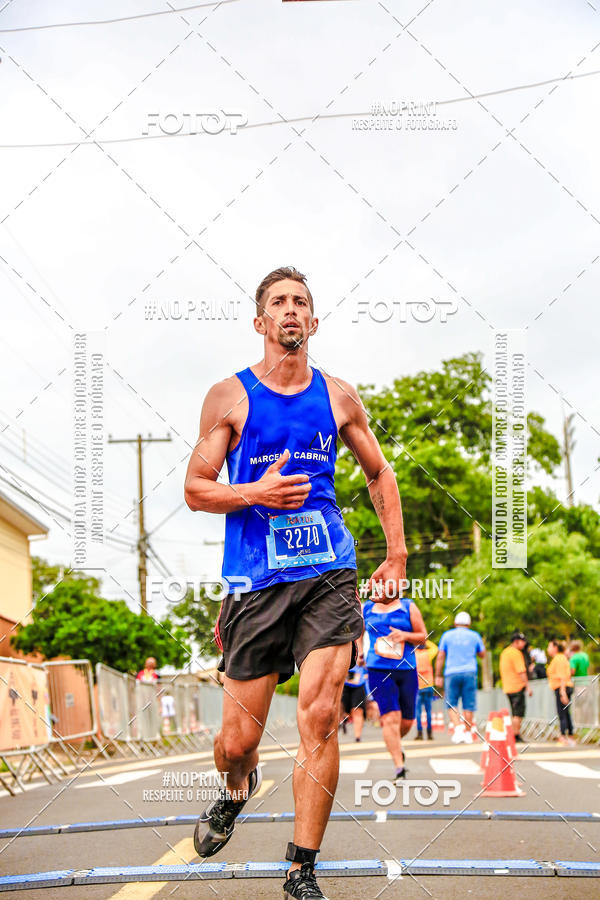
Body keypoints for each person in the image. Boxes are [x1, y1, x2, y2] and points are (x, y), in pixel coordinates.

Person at [184, 266, 408, 900]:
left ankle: (300, 869)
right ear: (260, 322)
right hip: (255, 581)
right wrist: (255, 491)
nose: (290, 311)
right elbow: (195, 489)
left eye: (301, 303)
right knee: (236, 742)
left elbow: (379, 473)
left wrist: (395, 554)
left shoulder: (339, 396)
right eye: (278, 302)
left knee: (321, 713)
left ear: (313, 321)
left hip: (327, 573)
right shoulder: (228, 396)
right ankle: (234, 790)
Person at [359, 593, 427, 781]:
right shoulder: (367, 608)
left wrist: (404, 635)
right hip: (377, 669)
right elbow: (359, 632)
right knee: (390, 717)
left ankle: (396, 745)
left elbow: (423, 638)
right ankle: (400, 767)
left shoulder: (408, 606)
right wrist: (359, 651)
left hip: (406, 668)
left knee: (406, 721)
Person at [435, 611, 485, 744]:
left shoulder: (447, 636)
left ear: (455, 623)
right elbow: (482, 654)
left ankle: (458, 731)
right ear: (468, 624)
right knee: (469, 703)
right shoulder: (475, 636)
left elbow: (440, 656)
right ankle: (468, 733)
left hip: (451, 673)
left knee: (451, 702)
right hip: (470, 672)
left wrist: (438, 675)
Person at [499, 631, 532, 743]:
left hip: (507, 686)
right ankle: (515, 734)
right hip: (517, 686)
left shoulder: (505, 652)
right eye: (522, 642)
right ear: (516, 642)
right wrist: (528, 686)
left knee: (514, 712)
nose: (524, 644)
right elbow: (521, 671)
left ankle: (514, 734)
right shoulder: (516, 653)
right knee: (518, 713)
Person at [547, 639, 576, 745]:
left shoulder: (558, 658)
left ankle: (563, 736)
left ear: (555, 647)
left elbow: (562, 676)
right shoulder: (561, 658)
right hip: (563, 687)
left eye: (549, 646)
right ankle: (571, 735)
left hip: (562, 687)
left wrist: (562, 692)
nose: (548, 649)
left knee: (562, 713)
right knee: (566, 712)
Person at [414, 639, 438, 740]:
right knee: (428, 711)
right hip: (428, 685)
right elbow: (435, 648)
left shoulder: (413, 655)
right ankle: (429, 733)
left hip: (418, 686)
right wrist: (424, 639)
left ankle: (419, 733)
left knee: (418, 711)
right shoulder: (428, 654)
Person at [340, 665, 369, 742]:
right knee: (342, 711)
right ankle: (344, 720)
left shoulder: (363, 653)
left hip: (359, 684)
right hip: (343, 684)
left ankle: (357, 737)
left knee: (357, 710)